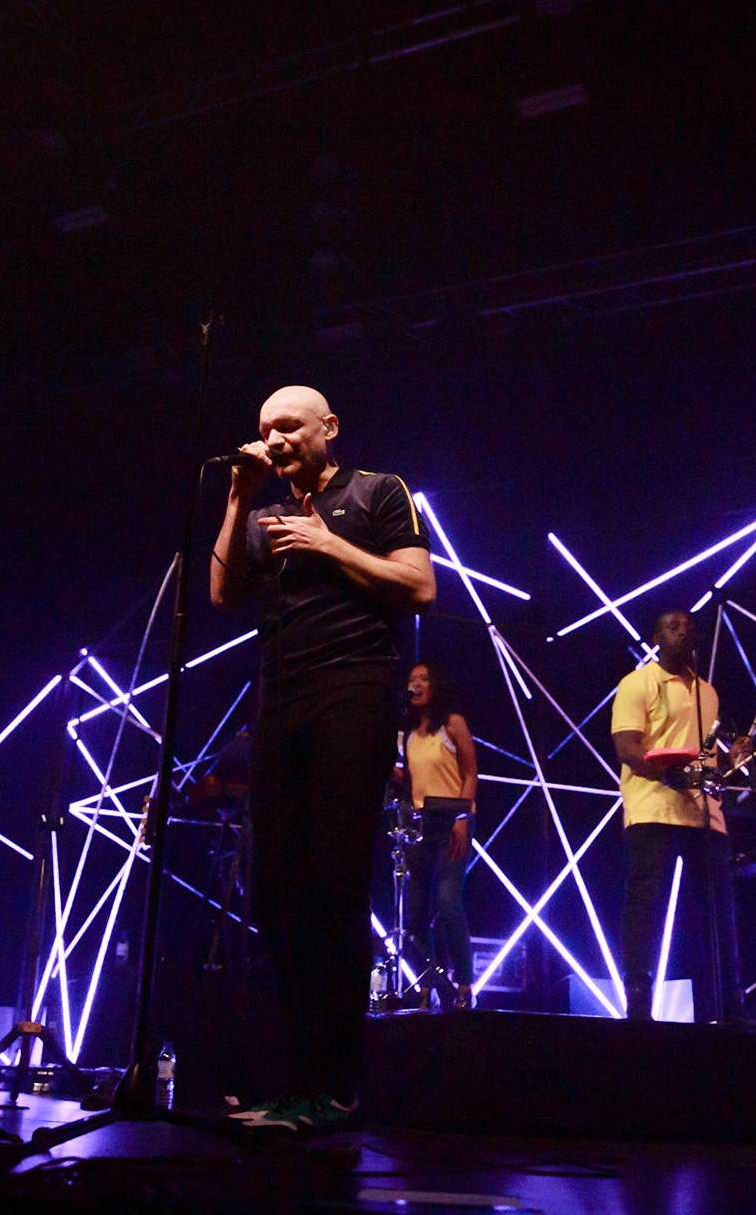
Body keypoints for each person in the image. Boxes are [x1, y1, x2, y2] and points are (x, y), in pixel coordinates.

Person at [209, 385, 434, 1132]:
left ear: (328, 428)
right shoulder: (265, 512)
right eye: (264, 428)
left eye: (290, 427)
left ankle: (335, 1091)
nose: (274, 439)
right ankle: (290, 1081)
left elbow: (421, 586)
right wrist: (240, 499)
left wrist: (331, 545)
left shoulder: (377, 492)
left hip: (355, 690)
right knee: (274, 891)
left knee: (335, 886)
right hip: (281, 701)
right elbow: (219, 592)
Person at [610, 610, 749, 1023]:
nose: (683, 632)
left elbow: (705, 750)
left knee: (717, 911)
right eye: (673, 626)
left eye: (689, 627)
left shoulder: (708, 693)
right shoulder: (638, 683)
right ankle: (638, 1000)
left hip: (704, 812)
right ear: (656, 636)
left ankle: (727, 1004)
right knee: (645, 905)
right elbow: (627, 747)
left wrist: (731, 758)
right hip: (653, 805)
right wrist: (667, 771)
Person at [399, 662, 478, 1010]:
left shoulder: (453, 724)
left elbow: (471, 773)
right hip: (419, 825)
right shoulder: (408, 735)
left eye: (423, 679)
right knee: (414, 913)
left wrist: (463, 816)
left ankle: (463, 985)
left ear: (436, 685)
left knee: (448, 902)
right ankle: (427, 982)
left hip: (452, 820)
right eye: (411, 680)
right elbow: (407, 781)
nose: (415, 685)